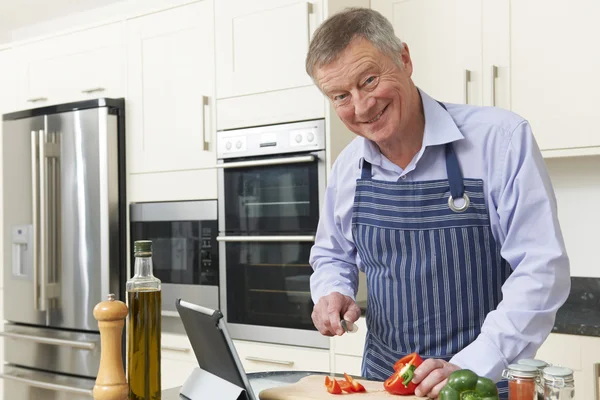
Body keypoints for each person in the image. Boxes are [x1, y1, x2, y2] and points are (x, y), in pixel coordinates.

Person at [305, 7, 570, 399]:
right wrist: (332, 291)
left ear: (405, 60)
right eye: (341, 95)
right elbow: (331, 255)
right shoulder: (349, 168)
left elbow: (541, 270)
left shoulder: (500, 140)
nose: (360, 107)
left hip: (477, 384)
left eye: (369, 80)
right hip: (384, 385)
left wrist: (471, 364)